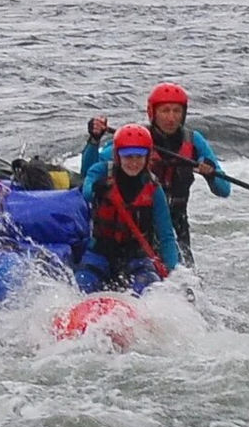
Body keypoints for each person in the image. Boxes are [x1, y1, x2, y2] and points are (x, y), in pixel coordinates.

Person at [81, 82, 230, 267]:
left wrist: (211, 174)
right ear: (153, 113)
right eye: (165, 111)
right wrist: (94, 140)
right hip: (142, 222)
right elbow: (90, 173)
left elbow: (224, 190)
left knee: (185, 279)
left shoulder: (194, 141)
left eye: (177, 111)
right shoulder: (137, 140)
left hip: (176, 223)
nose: (171, 118)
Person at [74, 124, 179, 295]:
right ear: (117, 156)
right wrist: (96, 189)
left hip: (136, 256)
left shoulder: (153, 188)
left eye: (139, 156)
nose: (134, 162)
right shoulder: (101, 171)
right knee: (83, 284)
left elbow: (166, 235)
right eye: (128, 156)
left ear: (147, 157)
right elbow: (86, 191)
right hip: (100, 252)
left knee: (147, 289)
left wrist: (175, 273)